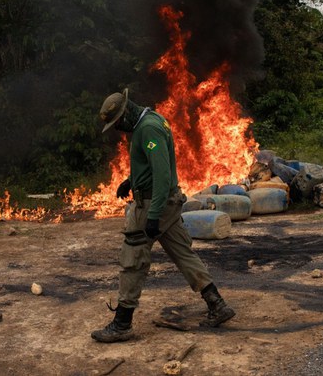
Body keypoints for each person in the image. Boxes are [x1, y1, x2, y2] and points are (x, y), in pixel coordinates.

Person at [91, 88, 235, 343]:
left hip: (153, 204)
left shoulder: (148, 129)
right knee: (183, 254)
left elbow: (162, 175)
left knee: (132, 259)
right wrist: (130, 180)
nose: (118, 129)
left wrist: (153, 215)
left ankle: (122, 324)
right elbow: (150, 165)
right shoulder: (151, 120)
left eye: (117, 123)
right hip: (163, 202)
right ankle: (217, 304)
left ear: (125, 114)